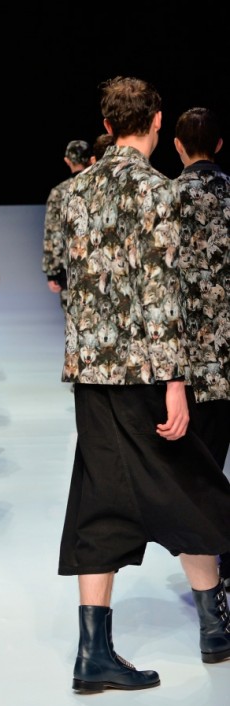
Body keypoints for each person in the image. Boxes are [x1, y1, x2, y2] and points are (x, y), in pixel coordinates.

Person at [58, 76, 230, 694]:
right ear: (157, 122)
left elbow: (68, 279)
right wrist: (176, 382)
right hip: (147, 375)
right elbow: (161, 295)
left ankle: (93, 653)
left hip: (92, 375)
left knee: (99, 504)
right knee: (191, 488)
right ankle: (214, 625)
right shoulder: (160, 191)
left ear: (107, 127)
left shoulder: (69, 193)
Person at [174, 106, 230, 591]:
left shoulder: (167, 197)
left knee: (201, 464)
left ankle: (211, 563)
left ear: (177, 146)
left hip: (191, 360)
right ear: (219, 145)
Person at [42, 140, 93, 312]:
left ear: (67, 161)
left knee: (74, 319)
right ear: (91, 159)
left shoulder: (59, 192)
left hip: (70, 267)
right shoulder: (100, 187)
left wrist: (52, 271)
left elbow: (53, 232)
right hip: (100, 267)